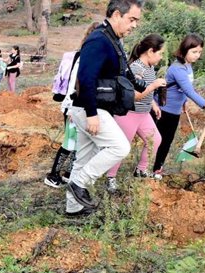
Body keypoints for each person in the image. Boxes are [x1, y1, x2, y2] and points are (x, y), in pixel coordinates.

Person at [65, 0, 149, 217]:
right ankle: (80, 184)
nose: (134, 25)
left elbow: (124, 75)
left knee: (83, 157)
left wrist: (148, 86)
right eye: (132, 19)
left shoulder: (113, 40)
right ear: (117, 15)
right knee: (121, 147)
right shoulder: (99, 40)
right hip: (90, 109)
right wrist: (92, 114)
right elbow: (86, 77)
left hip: (92, 108)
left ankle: (73, 208)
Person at [105, 33, 166, 191]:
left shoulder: (150, 67)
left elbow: (144, 91)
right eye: (160, 53)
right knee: (121, 147)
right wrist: (153, 86)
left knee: (155, 140)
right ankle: (110, 177)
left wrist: (153, 104)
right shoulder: (136, 68)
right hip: (129, 114)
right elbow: (134, 96)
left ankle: (141, 170)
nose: (161, 57)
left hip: (143, 114)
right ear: (151, 51)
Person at [45, 21, 100, 189]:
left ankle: (69, 173)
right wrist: (71, 106)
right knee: (69, 142)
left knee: (80, 142)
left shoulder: (89, 56)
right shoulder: (83, 57)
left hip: (80, 106)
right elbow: (74, 84)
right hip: (73, 105)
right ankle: (53, 174)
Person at [152, 33, 205, 179]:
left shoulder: (188, 67)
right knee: (158, 140)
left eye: (199, 52)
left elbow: (183, 90)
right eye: (194, 52)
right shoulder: (177, 68)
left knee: (167, 141)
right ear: (185, 49)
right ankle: (145, 168)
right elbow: (188, 89)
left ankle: (157, 169)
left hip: (175, 110)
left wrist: (184, 102)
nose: (197, 55)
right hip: (163, 108)